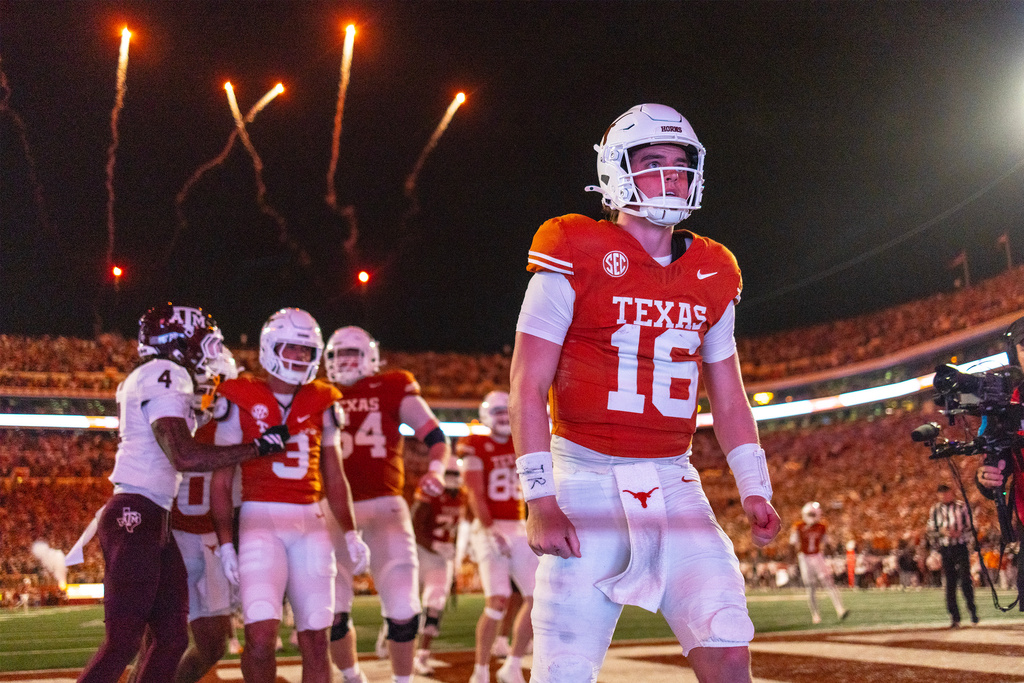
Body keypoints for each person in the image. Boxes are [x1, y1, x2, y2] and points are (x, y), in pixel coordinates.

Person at [509, 103, 781, 683]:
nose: (670, 177)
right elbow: (527, 384)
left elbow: (728, 396)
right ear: (614, 173)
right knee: (564, 671)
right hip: (583, 476)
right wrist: (539, 498)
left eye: (680, 165)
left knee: (729, 646)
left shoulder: (715, 268)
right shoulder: (572, 247)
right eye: (652, 162)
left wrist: (753, 486)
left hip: (674, 481)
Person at [77, 304, 289, 683]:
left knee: (173, 637)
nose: (206, 355)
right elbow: (185, 455)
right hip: (136, 513)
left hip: (156, 516)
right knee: (124, 641)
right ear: (177, 343)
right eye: (200, 343)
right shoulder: (166, 372)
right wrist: (257, 447)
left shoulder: (163, 378)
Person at [210, 308, 370, 683]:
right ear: (269, 348)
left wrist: (350, 532)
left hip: (310, 522)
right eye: (290, 349)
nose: (298, 358)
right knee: (261, 638)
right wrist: (225, 543)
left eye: (305, 351)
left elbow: (335, 476)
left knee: (316, 637)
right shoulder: (239, 397)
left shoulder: (324, 400)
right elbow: (221, 479)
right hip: (258, 522)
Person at [322, 325, 451, 683]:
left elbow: (437, 437)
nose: (346, 361)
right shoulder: (317, 393)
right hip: (333, 511)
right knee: (331, 611)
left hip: (385, 506)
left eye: (354, 354)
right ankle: (352, 677)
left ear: (371, 358)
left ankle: (402, 680)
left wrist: (437, 471)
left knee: (403, 608)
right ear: (327, 359)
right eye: (339, 354)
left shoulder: (393, 386)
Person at [170, 344, 242, 683]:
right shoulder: (170, 419)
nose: (206, 394)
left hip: (215, 542)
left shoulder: (240, 424)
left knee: (214, 644)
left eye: (212, 385)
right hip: (174, 538)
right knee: (162, 638)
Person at [458, 390, 537, 683]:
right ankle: (479, 670)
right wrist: (490, 529)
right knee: (498, 600)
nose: (504, 417)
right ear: (486, 417)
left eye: (507, 411)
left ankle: (512, 664)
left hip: (517, 524)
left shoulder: (522, 442)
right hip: (489, 526)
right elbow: (475, 494)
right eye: (498, 412)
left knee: (537, 597)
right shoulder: (476, 444)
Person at [409, 467, 467, 675]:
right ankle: (390, 634)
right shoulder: (429, 492)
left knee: (435, 603)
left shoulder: (462, 495)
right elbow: (414, 526)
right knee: (406, 605)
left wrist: (453, 555)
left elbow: (458, 529)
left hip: (441, 559)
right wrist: (434, 545)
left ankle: (422, 655)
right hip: (420, 552)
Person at [926, 484, 978, 628]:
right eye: (941, 494)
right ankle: (954, 617)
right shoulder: (935, 510)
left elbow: (972, 527)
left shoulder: (961, 507)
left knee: (965, 580)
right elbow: (930, 531)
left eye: (946, 494)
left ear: (951, 493)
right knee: (950, 583)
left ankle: (972, 611)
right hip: (945, 549)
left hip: (960, 547)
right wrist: (941, 533)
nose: (944, 497)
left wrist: (960, 533)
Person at [789, 502, 848, 624]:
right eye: (810, 514)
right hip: (804, 557)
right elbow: (792, 545)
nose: (811, 516)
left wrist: (833, 556)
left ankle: (840, 609)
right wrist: (791, 562)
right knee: (810, 587)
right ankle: (815, 615)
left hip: (817, 556)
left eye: (813, 514)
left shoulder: (821, 526)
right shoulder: (798, 526)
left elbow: (827, 544)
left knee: (829, 582)